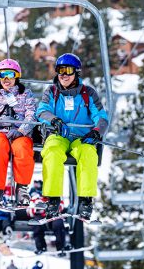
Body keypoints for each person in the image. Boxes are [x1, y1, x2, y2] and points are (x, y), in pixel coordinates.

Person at [36, 53, 109, 220]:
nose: (63, 75)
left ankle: (85, 200)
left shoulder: (88, 93)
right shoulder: (52, 91)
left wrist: (97, 131)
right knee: (52, 152)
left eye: (68, 71)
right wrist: (54, 120)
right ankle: (53, 199)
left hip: (81, 138)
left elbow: (101, 116)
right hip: (58, 135)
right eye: (60, 71)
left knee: (89, 154)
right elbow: (41, 111)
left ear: (76, 73)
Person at [0, 59, 36, 205]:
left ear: (17, 76)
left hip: (19, 132)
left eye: (10, 74)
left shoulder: (26, 95)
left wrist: (21, 130)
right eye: (2, 74)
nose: (6, 79)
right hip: (0, 132)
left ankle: (22, 187)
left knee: (23, 148)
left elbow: (31, 115)